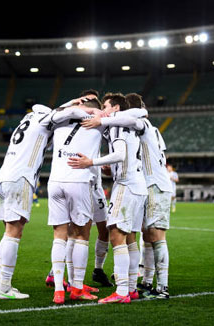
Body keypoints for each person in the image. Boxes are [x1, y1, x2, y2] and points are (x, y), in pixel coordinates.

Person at [83, 93, 172, 300]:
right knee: (142, 236)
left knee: (153, 237)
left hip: (151, 184)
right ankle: (144, 282)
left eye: (106, 106)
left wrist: (104, 119)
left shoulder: (139, 123)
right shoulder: (147, 129)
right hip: (145, 183)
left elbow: (133, 118)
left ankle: (161, 287)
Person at [0, 103, 87, 300]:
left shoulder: (26, 120)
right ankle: (4, 288)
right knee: (14, 231)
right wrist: (91, 111)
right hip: (21, 177)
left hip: (3, 178)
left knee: (8, 231)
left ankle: (1, 284)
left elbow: (57, 108)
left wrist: (73, 102)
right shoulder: (44, 119)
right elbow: (66, 112)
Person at [69, 93, 147, 304]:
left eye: (105, 106)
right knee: (129, 237)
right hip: (138, 185)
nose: (102, 109)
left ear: (115, 109)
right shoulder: (125, 124)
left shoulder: (117, 125)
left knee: (116, 236)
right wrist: (108, 167)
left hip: (126, 185)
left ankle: (121, 292)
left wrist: (91, 162)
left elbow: (120, 154)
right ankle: (131, 289)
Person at [47, 98, 104, 304]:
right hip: (78, 180)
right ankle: (77, 287)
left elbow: (56, 110)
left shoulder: (61, 118)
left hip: (55, 182)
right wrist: (99, 114)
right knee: (81, 234)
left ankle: (59, 289)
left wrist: (73, 105)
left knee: (59, 236)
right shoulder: (99, 120)